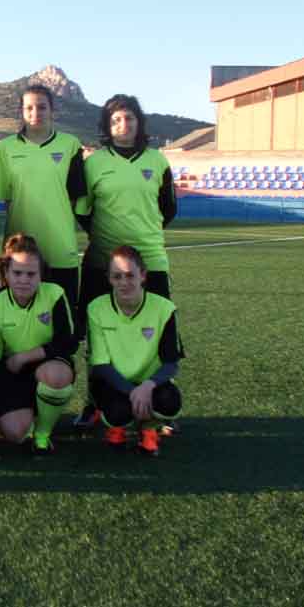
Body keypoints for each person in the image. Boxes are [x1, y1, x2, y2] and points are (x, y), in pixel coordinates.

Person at [74, 94, 176, 429]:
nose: (124, 125)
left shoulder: (157, 161)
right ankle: (93, 403)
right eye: (116, 120)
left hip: (151, 260)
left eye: (129, 118)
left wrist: (142, 232)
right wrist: (106, 238)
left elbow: (169, 209)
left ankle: (154, 405)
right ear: (107, 125)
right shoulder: (94, 164)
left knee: (157, 334)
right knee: (95, 336)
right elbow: (83, 212)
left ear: (139, 122)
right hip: (101, 262)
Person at [0, 234, 78, 454]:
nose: (24, 280)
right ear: (6, 274)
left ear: (41, 275)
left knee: (57, 375)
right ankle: (32, 414)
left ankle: (42, 433)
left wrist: (24, 356)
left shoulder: (54, 295)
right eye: (17, 273)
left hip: (47, 364)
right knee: (14, 433)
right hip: (13, 374)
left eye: (31, 274)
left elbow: (67, 343)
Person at [0, 85, 86, 312]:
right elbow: (6, 199)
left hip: (60, 249)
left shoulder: (70, 145)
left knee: (62, 326)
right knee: (16, 323)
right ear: (22, 111)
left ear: (52, 110)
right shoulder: (6, 148)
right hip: (18, 254)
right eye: (29, 108)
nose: (36, 113)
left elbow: (75, 198)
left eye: (42, 107)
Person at [86, 245, 184, 457]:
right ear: (109, 278)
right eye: (117, 276)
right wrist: (133, 392)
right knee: (117, 411)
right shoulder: (96, 308)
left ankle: (149, 429)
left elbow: (171, 362)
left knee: (170, 402)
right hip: (115, 384)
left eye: (130, 275)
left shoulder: (164, 308)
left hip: (151, 383)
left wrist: (147, 386)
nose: (124, 282)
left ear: (143, 276)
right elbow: (101, 365)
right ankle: (117, 428)